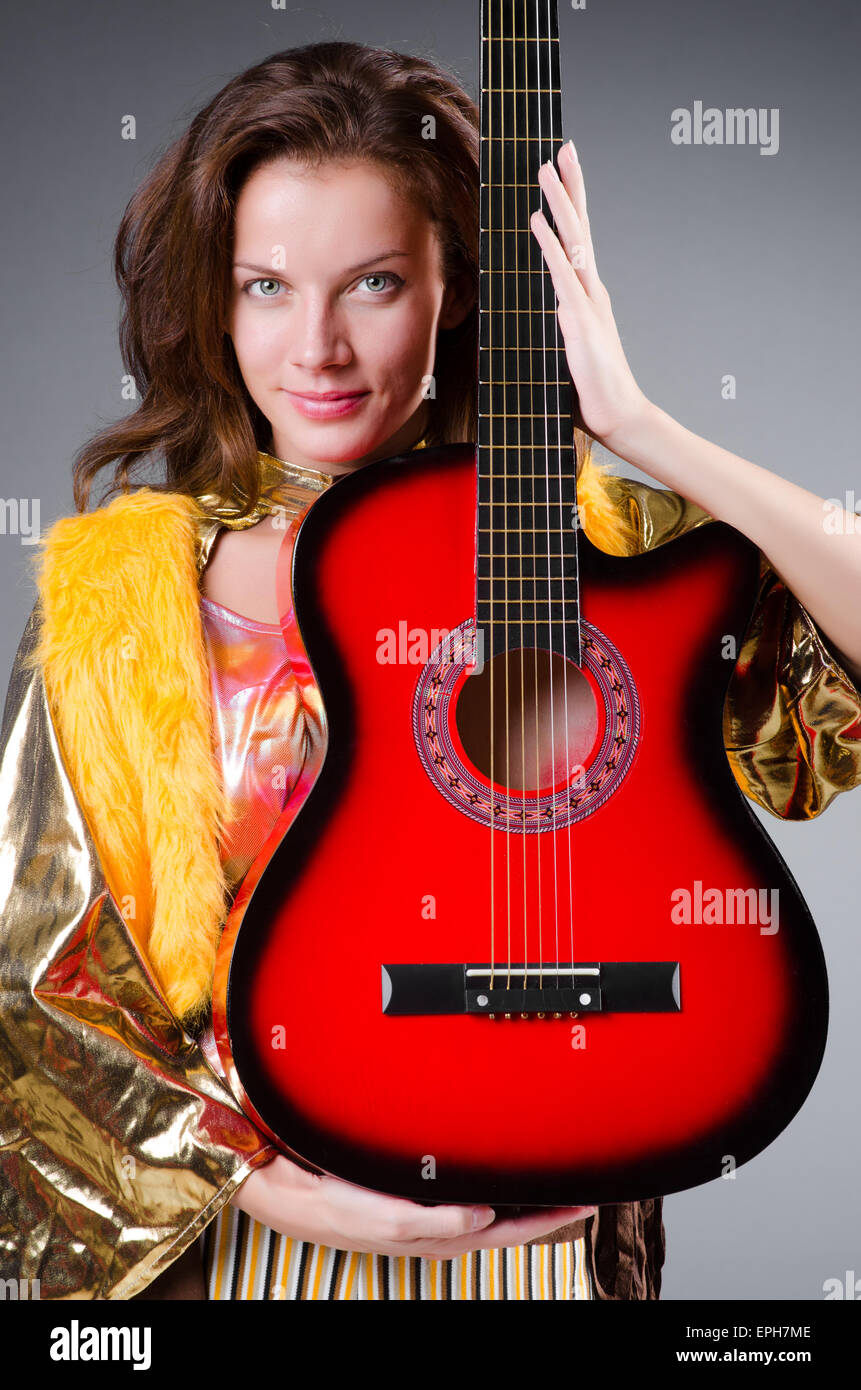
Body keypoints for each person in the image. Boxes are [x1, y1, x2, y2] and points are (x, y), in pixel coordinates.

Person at [1, 41, 859, 1302]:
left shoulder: (595, 557)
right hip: (239, 1249)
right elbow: (34, 985)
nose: (318, 346)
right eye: (267, 287)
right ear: (219, 299)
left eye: (375, 283)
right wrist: (282, 1191)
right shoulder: (123, 593)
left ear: (460, 289)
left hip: (535, 1246)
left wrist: (643, 427)